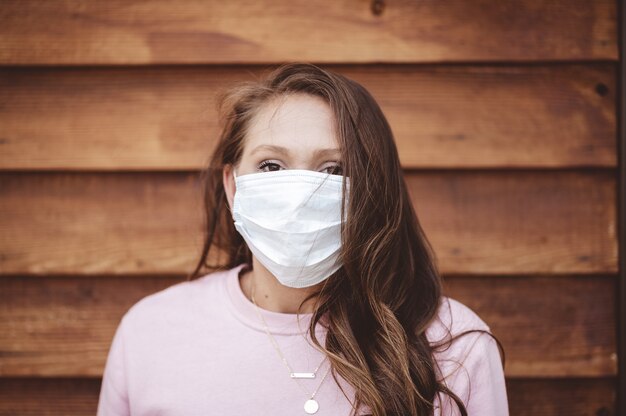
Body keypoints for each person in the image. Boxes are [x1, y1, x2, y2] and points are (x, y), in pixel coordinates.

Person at [97, 63, 509, 416]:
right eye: (271, 165)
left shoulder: (453, 347)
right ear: (233, 185)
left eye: (333, 169)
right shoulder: (150, 332)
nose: (300, 194)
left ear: (372, 189)